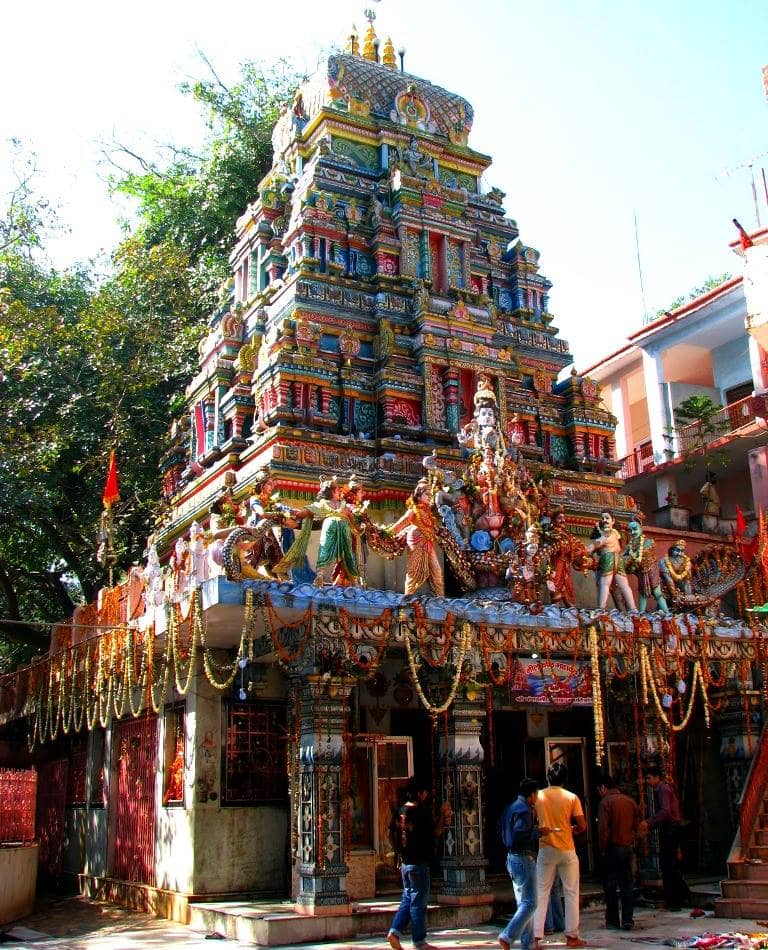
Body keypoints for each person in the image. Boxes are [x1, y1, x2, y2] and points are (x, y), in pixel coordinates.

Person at [387, 778, 452, 950]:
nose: (426, 796)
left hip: (406, 863)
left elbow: (390, 834)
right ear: (419, 793)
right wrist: (443, 816)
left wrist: (399, 854)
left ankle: (395, 931)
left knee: (407, 899)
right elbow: (436, 832)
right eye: (424, 793)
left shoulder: (401, 809)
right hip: (418, 863)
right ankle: (419, 941)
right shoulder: (421, 813)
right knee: (418, 903)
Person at [532, 761, 588, 948]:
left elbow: (532, 819)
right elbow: (582, 825)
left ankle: (536, 937)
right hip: (566, 848)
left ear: (547, 778)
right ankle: (572, 936)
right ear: (565, 779)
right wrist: (572, 829)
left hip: (546, 848)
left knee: (541, 891)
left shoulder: (538, 796)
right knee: (571, 892)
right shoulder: (572, 797)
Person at [498, 778, 553, 950]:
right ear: (532, 794)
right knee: (531, 903)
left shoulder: (511, 808)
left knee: (524, 902)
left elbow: (502, 828)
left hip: (512, 858)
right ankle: (507, 935)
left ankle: (528, 943)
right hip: (522, 857)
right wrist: (539, 831)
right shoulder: (524, 810)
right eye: (536, 794)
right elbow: (519, 836)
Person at [639, 765, 690, 911]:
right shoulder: (661, 790)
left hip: (671, 829)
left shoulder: (663, 790)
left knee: (669, 865)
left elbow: (665, 812)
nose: (647, 781)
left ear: (656, 778)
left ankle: (674, 900)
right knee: (670, 865)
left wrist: (648, 823)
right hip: (669, 828)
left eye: (649, 778)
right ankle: (678, 897)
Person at [596, 773, 639, 931]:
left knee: (610, 885)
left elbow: (603, 830)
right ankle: (628, 918)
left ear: (603, 788)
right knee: (627, 884)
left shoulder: (605, 803)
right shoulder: (630, 802)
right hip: (627, 847)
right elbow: (636, 825)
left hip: (612, 848)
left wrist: (602, 849)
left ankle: (613, 920)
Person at [389, 480, 445, 596]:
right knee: (414, 572)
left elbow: (431, 527)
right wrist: (387, 533)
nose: (430, 497)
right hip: (416, 541)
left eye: (431, 494)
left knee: (437, 572)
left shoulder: (428, 512)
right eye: (427, 494)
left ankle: (440, 600)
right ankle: (407, 598)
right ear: (419, 495)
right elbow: (402, 523)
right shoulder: (413, 510)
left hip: (428, 543)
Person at [585, 510, 637, 611]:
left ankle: (601, 608)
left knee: (605, 584)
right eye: (603, 518)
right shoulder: (614, 533)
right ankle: (633, 609)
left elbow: (599, 543)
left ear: (613, 521)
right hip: (618, 559)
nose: (604, 520)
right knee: (624, 586)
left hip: (609, 559)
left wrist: (586, 550)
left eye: (607, 518)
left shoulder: (609, 534)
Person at [623, 518, 668, 613]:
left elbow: (641, 553)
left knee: (657, 592)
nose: (632, 532)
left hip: (651, 569)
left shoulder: (648, 542)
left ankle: (667, 613)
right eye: (630, 530)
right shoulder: (629, 546)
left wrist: (630, 558)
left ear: (641, 529)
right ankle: (641, 614)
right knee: (642, 593)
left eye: (635, 529)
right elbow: (624, 557)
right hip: (641, 571)